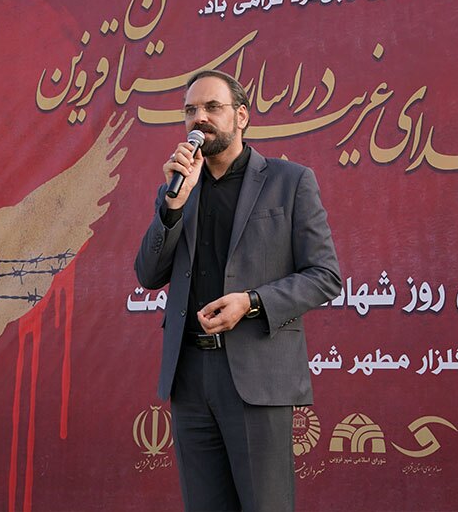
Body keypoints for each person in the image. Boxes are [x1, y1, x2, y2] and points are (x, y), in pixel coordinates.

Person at [134, 69, 341, 511]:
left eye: (212, 107)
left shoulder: (290, 181)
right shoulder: (178, 189)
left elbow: (324, 275)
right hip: (190, 377)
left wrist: (252, 303)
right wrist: (172, 207)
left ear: (241, 116)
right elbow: (148, 275)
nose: (199, 118)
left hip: (255, 376)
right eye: (190, 110)